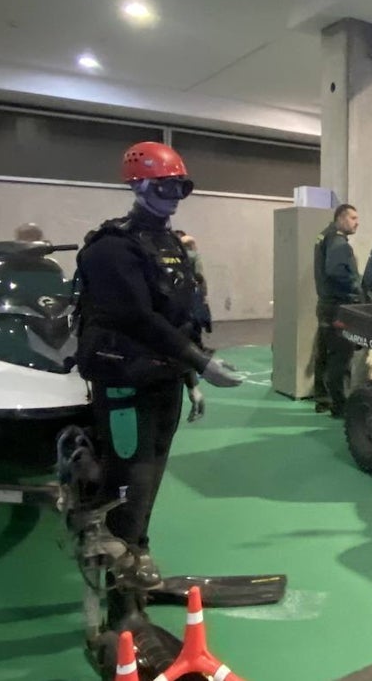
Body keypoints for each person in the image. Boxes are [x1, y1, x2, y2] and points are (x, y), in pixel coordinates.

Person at [75, 141, 244, 588]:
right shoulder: (111, 248)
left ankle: (136, 545)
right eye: (164, 186)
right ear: (139, 184)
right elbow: (136, 317)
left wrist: (190, 377)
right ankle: (117, 556)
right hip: (124, 377)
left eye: (180, 188)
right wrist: (201, 363)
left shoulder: (169, 245)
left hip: (163, 375)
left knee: (153, 465)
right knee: (128, 469)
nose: (172, 196)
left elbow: (179, 317)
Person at [313, 203, 362, 416]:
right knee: (340, 356)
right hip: (339, 306)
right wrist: (358, 287)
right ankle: (340, 405)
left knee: (324, 354)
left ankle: (322, 399)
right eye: (353, 218)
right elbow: (336, 272)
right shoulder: (338, 242)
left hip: (325, 304)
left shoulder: (324, 236)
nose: (356, 222)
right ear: (341, 218)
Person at [175, 231, 213, 342]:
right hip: (194, 289)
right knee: (197, 316)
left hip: (179, 290)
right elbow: (199, 274)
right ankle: (197, 342)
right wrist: (204, 291)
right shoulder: (194, 256)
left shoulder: (177, 256)